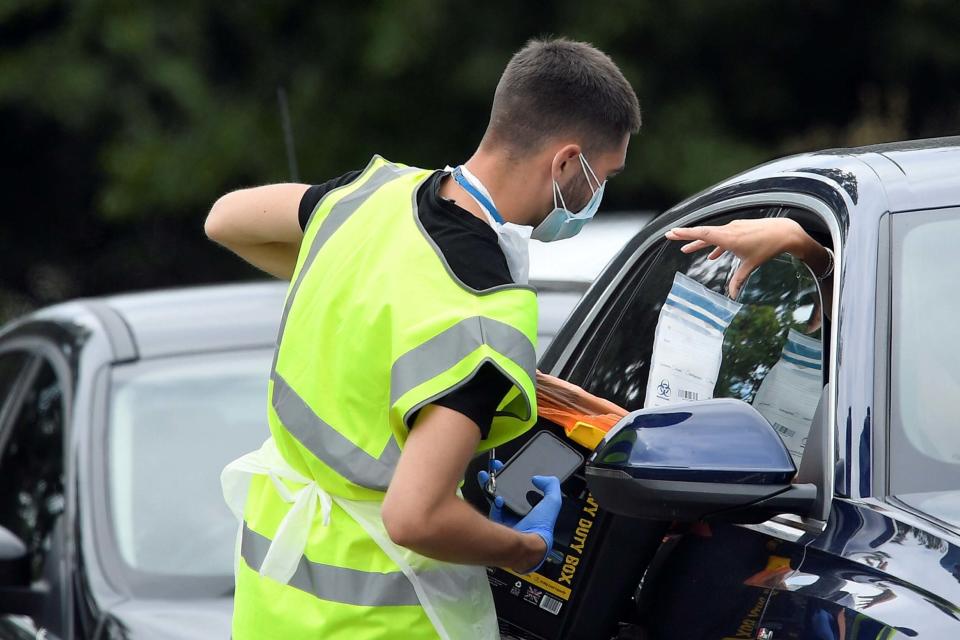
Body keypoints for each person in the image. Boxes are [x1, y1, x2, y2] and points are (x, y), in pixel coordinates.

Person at [205, 38, 641, 639]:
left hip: (271, 608)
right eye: (603, 176)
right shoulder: (485, 315)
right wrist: (522, 548)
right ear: (566, 163)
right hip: (383, 621)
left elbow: (225, 218)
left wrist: (355, 293)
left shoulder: (371, 198)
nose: (596, 196)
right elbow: (414, 516)